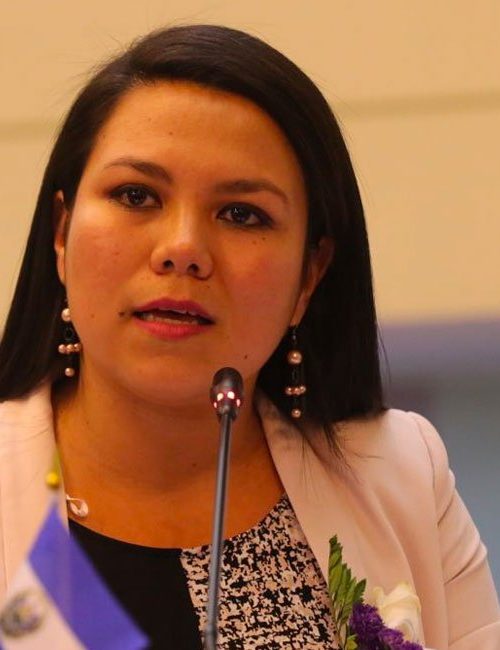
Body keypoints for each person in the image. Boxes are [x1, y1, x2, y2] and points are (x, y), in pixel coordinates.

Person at [0, 24, 498, 650]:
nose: (183, 248)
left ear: (309, 276)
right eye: (136, 195)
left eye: (241, 214)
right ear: (61, 233)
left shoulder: (402, 477)